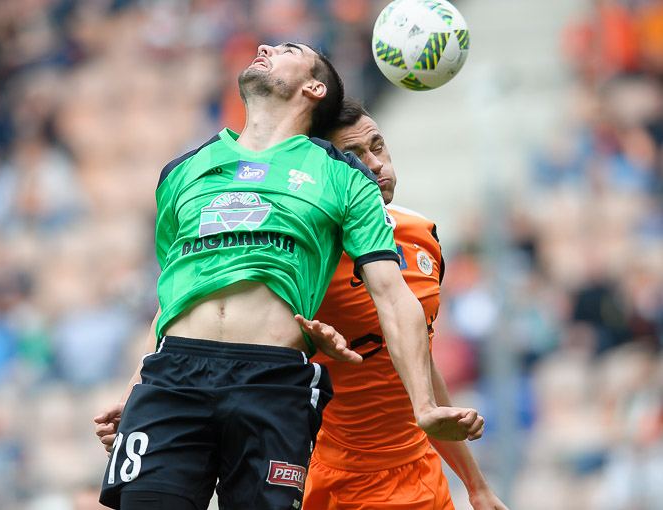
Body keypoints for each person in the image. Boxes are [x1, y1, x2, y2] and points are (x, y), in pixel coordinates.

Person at [94, 43, 484, 510]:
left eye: (287, 49)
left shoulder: (345, 178)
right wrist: (135, 387)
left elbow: (396, 301)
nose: (265, 47)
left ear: (314, 87)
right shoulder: (182, 171)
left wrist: (427, 409)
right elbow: (175, 296)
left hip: (272, 381)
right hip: (174, 376)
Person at [298, 98, 507, 510]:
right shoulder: (306, 253)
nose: (376, 165)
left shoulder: (421, 234)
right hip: (332, 478)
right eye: (355, 156)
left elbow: (420, 363)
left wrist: (476, 486)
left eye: (377, 146)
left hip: (420, 474)